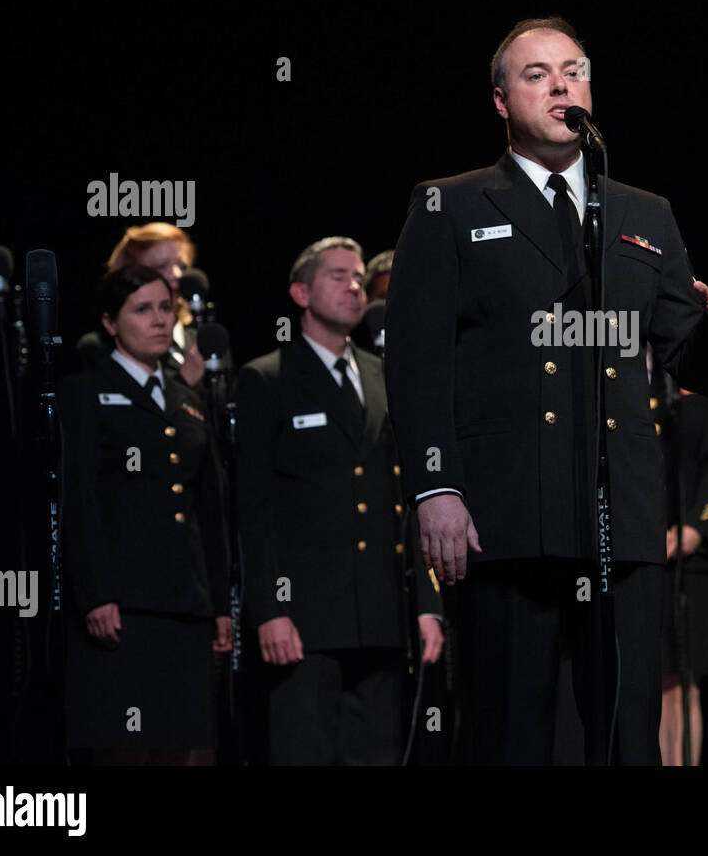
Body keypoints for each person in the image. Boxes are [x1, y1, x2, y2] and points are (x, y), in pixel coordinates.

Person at [385, 16, 708, 764]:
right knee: (507, 733)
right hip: (505, 513)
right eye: (536, 74)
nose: (560, 85)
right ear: (500, 101)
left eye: (574, 71)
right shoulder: (451, 204)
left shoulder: (641, 212)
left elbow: (691, 367)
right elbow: (419, 361)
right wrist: (437, 488)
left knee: (628, 735)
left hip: (617, 517)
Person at [233, 237, 444, 765]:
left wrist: (426, 605)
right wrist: (269, 609)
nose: (354, 287)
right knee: (306, 752)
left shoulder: (383, 374)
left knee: (376, 753)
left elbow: (410, 498)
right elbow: (254, 508)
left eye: (357, 277)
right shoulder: (267, 378)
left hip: (380, 612)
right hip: (305, 615)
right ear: (300, 293)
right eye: (337, 276)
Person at [59, 265, 231, 764]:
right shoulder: (87, 391)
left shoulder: (186, 398)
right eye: (141, 309)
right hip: (122, 608)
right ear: (110, 323)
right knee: (127, 749)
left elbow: (208, 511)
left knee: (186, 750)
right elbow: (81, 499)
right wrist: (95, 594)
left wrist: (219, 604)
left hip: (185, 606)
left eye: (165, 308)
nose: (158, 320)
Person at [653, 353, 708, 766]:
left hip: (688, 562)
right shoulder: (616, 383)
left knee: (684, 681)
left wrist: (696, 528)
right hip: (632, 557)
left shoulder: (690, 396)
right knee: (648, 680)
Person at [76, 223, 207, 387]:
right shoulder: (100, 347)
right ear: (130, 272)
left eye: (182, 266)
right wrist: (183, 383)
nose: (177, 275)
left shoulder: (204, 340)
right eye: (161, 266)